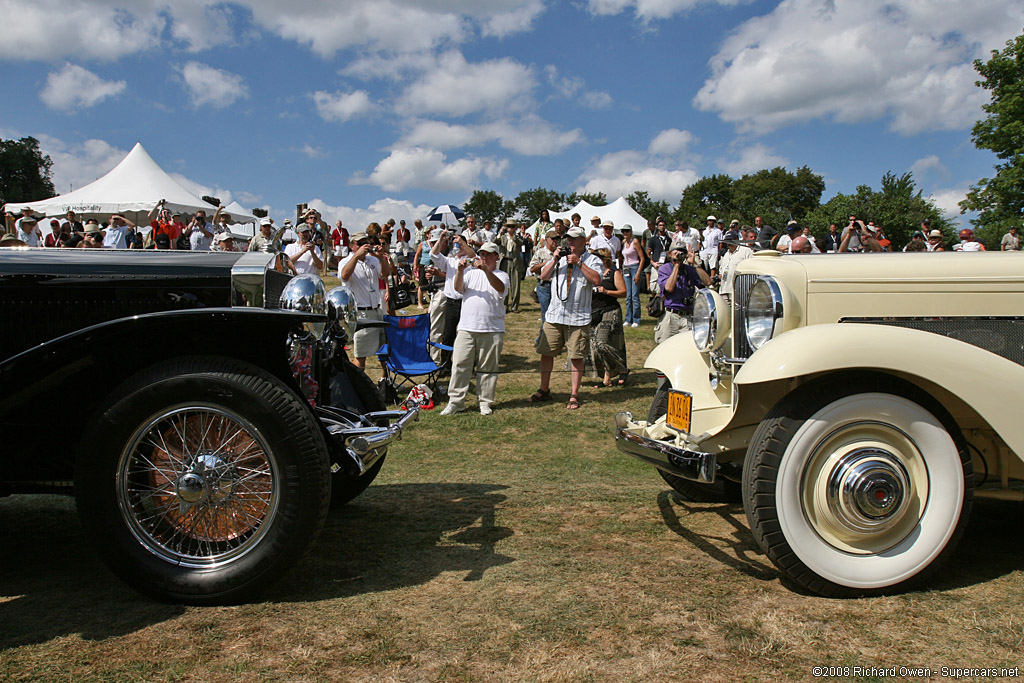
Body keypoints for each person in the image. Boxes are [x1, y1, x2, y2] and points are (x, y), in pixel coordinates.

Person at [529, 227, 603, 410]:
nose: (570, 241)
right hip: (555, 315)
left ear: (583, 241)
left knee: (576, 356)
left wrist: (579, 263)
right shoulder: (559, 258)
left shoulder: (592, 259)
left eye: (574, 239)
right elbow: (543, 276)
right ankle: (544, 389)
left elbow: (596, 280)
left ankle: (574, 394)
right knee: (546, 352)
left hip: (578, 317)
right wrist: (554, 259)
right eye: (568, 238)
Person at [440, 242, 509, 416]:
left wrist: (485, 270)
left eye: (488, 254)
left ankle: (485, 402)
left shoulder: (502, 275)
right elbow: (458, 289)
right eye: (482, 254)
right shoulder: (471, 273)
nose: (484, 257)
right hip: (467, 327)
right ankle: (456, 402)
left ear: (496, 256)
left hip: (492, 328)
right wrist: (460, 271)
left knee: (488, 368)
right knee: (460, 364)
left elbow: (500, 288)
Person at [339, 231, 390, 372]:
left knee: (384, 350)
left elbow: (386, 274)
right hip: (361, 313)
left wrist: (381, 258)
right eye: (360, 243)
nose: (365, 246)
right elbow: (344, 276)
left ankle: (385, 381)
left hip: (376, 310)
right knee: (361, 354)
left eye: (367, 243)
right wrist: (356, 256)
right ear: (352, 246)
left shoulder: (372, 260)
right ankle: (358, 384)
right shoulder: (345, 262)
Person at [431, 227, 477, 370]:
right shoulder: (450, 261)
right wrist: (442, 238)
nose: (459, 248)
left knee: (468, 334)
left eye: (460, 245)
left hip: (466, 302)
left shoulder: (470, 261)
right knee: (448, 334)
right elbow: (434, 254)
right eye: (457, 245)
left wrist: (463, 243)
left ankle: (470, 363)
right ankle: (445, 363)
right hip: (451, 302)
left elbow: (473, 254)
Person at [588, 248, 628, 388]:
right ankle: (606, 379)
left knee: (602, 343)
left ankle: (622, 367)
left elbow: (623, 292)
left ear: (605, 259)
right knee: (595, 348)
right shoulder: (592, 273)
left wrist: (606, 291)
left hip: (610, 311)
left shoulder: (613, 273)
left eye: (597, 257)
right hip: (593, 312)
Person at [655, 248, 704, 344]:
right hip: (670, 315)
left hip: (687, 317)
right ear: (669, 255)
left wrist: (694, 264)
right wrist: (676, 265)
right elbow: (668, 288)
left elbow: (707, 282)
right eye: (676, 253)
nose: (679, 255)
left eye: (682, 253)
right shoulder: (664, 269)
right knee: (665, 347)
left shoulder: (689, 270)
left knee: (686, 348)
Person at [529, 227, 558, 327]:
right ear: (546, 240)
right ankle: (542, 340)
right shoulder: (540, 252)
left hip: (556, 286)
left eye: (556, 239)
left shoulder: (559, 253)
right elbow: (532, 268)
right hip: (544, 286)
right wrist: (545, 264)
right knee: (546, 316)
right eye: (553, 239)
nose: (555, 241)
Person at [619, 224, 645, 327]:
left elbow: (642, 258)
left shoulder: (635, 242)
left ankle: (636, 319)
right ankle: (628, 318)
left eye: (627, 231)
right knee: (628, 296)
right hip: (626, 268)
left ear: (631, 232)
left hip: (634, 267)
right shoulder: (624, 242)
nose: (625, 233)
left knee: (635, 295)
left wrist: (638, 273)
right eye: (623, 231)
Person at [718, 229, 754, 301]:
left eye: (731, 240)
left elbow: (752, 270)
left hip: (738, 291)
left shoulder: (746, 251)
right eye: (727, 241)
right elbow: (721, 271)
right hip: (724, 290)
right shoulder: (726, 254)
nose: (728, 243)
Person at [498, 219, 524, 313]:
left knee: (516, 284)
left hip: (515, 262)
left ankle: (515, 306)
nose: (510, 228)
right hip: (505, 261)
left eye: (513, 227)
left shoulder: (517, 237)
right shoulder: (502, 237)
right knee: (504, 284)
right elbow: (495, 242)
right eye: (509, 226)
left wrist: (514, 237)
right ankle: (504, 306)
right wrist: (500, 234)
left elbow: (521, 243)